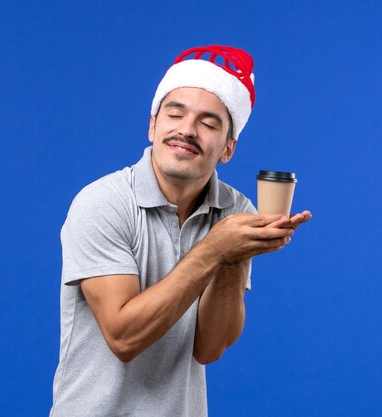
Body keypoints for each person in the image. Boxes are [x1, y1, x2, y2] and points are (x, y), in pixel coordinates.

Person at [49, 45, 312, 417]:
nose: (186, 130)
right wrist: (215, 250)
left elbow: (209, 348)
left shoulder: (235, 211)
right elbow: (123, 337)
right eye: (175, 114)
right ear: (153, 125)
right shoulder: (102, 202)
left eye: (208, 123)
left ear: (228, 149)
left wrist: (236, 258)